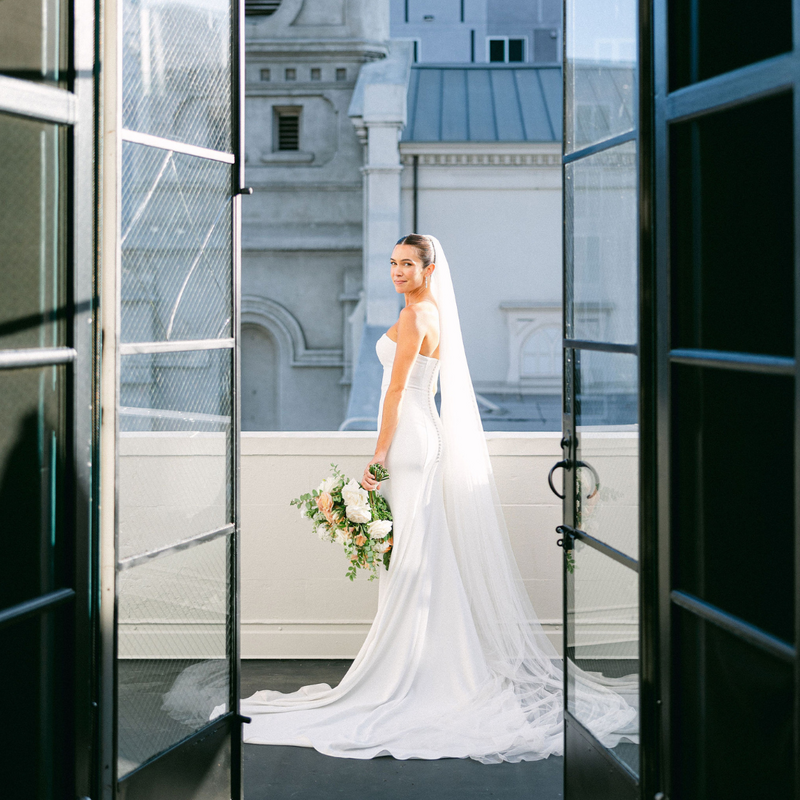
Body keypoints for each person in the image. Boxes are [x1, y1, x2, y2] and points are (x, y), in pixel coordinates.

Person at [213, 234, 637, 762]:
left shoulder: (417, 317)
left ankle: (419, 667)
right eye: (392, 263)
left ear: (429, 268)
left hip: (409, 437)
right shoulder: (424, 311)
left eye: (407, 264)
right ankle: (426, 660)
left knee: (411, 548)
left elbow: (395, 390)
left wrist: (377, 453)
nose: (396, 271)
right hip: (421, 433)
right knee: (416, 548)